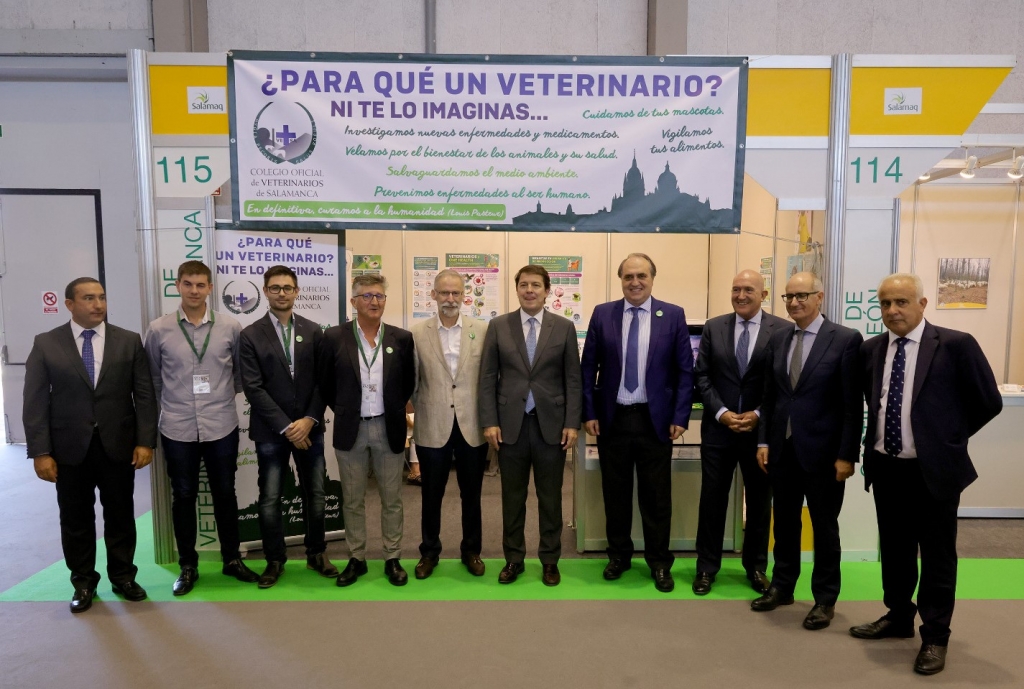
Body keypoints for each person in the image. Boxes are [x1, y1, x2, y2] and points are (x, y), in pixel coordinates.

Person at [850, 273, 1001, 676]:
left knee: (936, 556)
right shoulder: (871, 350)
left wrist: (947, 438)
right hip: (886, 467)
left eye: (901, 302)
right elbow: (873, 403)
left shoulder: (955, 345)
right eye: (884, 304)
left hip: (934, 471)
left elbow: (988, 401)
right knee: (896, 550)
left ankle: (935, 636)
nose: (892, 311)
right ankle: (898, 616)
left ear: (923, 303)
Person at [23, 277, 158, 613]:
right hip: (69, 449)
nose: (98, 304)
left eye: (101, 297)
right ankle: (83, 582)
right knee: (75, 518)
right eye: (88, 298)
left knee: (121, 515)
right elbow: (35, 401)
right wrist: (40, 452)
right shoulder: (46, 343)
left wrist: (145, 441)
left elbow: (144, 395)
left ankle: (124, 577)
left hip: (118, 445)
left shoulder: (128, 341)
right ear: (70, 304)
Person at [752, 271, 862, 630]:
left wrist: (847, 455)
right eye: (788, 297)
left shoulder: (845, 339)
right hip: (782, 452)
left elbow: (851, 405)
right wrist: (764, 441)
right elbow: (770, 397)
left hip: (825, 456)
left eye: (802, 295)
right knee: (784, 525)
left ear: (819, 297)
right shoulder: (779, 338)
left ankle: (825, 599)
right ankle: (782, 587)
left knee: (825, 529)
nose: (795, 302)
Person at [144, 260, 258, 595]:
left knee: (225, 494)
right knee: (183, 496)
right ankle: (188, 566)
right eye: (188, 284)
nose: (195, 291)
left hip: (221, 424)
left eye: (201, 285)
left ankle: (231, 560)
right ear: (177, 285)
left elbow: (238, 376)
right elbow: (152, 378)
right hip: (177, 427)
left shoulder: (230, 327)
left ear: (210, 288)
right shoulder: (158, 329)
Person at [581, 253, 693, 593]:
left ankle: (659, 562)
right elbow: (588, 369)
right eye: (628, 276)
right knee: (615, 493)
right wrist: (589, 412)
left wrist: (679, 416)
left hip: (654, 421)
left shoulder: (672, 315)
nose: (635, 282)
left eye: (641, 275)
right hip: (613, 419)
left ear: (652, 278)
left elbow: (685, 371)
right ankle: (618, 556)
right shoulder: (603, 314)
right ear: (621, 280)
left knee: (656, 497)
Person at [479, 264, 581, 586]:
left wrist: (572, 423)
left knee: (551, 498)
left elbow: (573, 381)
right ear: (517, 289)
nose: (530, 290)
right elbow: (486, 379)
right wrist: (489, 421)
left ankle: (550, 560)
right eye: (524, 285)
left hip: (551, 425)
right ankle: (514, 559)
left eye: (536, 285)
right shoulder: (498, 326)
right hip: (510, 426)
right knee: (512, 497)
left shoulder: (563, 328)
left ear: (547, 290)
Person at [239, 265, 336, 588]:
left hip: (310, 428)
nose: (282, 293)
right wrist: (287, 427)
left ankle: (316, 553)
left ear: (297, 292)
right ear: (265, 292)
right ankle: (274, 560)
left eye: (288, 287)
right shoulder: (250, 334)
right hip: (271, 432)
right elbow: (253, 387)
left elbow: (324, 382)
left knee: (317, 494)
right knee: (269, 498)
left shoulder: (314, 331)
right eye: (276, 287)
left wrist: (308, 420)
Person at [319, 274, 416, 587]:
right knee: (352, 498)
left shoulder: (401, 338)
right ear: (353, 301)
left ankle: (392, 557)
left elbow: (408, 382)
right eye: (367, 296)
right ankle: (357, 558)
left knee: (392, 498)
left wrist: (394, 407)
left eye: (379, 296)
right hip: (351, 429)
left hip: (388, 427)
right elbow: (325, 383)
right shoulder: (335, 337)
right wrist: (345, 409)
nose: (374, 301)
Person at [692, 269, 785, 596]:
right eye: (735, 289)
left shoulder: (782, 330)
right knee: (712, 500)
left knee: (760, 502)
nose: (741, 295)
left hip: (760, 435)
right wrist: (722, 413)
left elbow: (780, 383)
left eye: (748, 289)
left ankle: (757, 567)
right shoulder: (714, 328)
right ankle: (706, 568)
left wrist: (759, 414)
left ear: (763, 294)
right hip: (719, 430)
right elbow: (702, 376)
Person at [410, 269, 490, 579]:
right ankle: (429, 553)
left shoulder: (482, 330)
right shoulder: (416, 333)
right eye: (444, 293)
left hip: (472, 425)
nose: (450, 299)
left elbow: (487, 379)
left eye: (456, 293)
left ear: (464, 295)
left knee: (472, 494)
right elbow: (413, 382)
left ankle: (471, 551)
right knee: (431, 495)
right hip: (432, 425)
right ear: (433, 295)